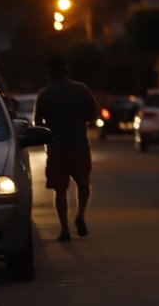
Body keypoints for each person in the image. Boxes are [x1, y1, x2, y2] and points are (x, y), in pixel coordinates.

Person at [33, 55, 99, 241]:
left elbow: (38, 122)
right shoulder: (81, 89)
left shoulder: (45, 94)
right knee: (84, 184)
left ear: (49, 72)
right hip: (79, 145)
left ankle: (64, 229)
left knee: (60, 190)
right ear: (67, 70)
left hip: (56, 149)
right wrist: (81, 121)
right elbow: (93, 113)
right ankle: (80, 215)